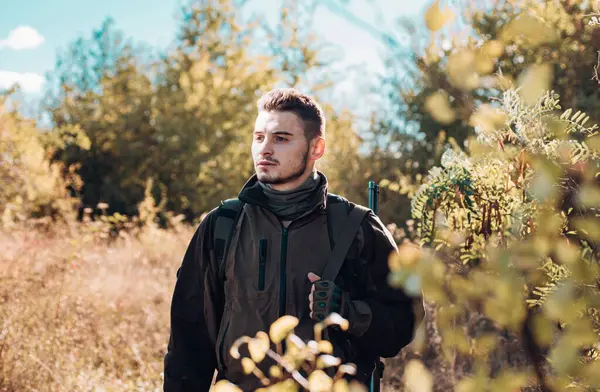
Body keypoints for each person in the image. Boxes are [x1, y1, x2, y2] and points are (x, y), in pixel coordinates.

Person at [163, 88, 422, 391]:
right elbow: (187, 342)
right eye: (259, 137)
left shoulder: (357, 227)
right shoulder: (222, 225)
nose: (265, 149)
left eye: (281, 138)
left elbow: (404, 324)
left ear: (316, 148)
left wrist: (348, 311)